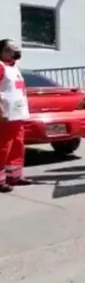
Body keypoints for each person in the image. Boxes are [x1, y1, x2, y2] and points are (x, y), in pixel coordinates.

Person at [0, 39, 32, 192]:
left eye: (16, 48)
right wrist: (1, 111)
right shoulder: (0, 67)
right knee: (3, 147)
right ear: (3, 52)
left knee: (17, 145)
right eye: (11, 49)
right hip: (5, 115)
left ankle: (14, 175)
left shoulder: (14, 67)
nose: (15, 51)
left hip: (17, 114)